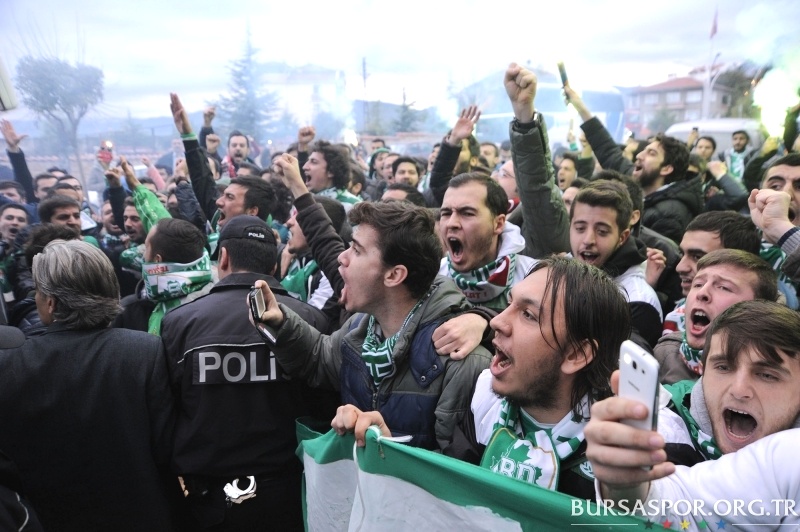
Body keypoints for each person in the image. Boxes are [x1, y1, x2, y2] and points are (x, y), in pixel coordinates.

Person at [250, 200, 492, 450]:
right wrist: (281, 323)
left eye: (356, 250)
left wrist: (386, 451)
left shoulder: (461, 361)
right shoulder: (362, 326)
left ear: (394, 275)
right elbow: (320, 359)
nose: (342, 258)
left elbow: (455, 468)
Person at [161, 216, 332, 531]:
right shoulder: (311, 319)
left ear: (223, 257)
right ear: (273, 265)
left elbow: (168, 410)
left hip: (210, 502)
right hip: (289, 495)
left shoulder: (180, 322)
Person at [0, 240, 179, 531]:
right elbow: (168, 446)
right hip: (139, 515)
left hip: (48, 519)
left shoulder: (10, 365)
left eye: (38, 291)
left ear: (51, 302)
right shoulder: (146, 351)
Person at [585, 300, 800, 529]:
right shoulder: (665, 432)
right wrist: (625, 486)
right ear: (703, 373)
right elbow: (673, 506)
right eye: (723, 367)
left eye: (767, 375)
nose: (739, 390)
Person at [564, 86, 702, 244]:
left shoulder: (671, 214)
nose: (639, 156)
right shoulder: (638, 180)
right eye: (644, 150)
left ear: (666, 168)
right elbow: (609, 152)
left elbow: (654, 255)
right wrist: (581, 108)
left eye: (651, 153)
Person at [654, 249, 777, 384]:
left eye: (724, 287)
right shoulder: (666, 352)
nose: (702, 293)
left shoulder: (775, 373)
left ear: (758, 308)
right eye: (698, 284)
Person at [569, 180, 662, 349]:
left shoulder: (638, 302)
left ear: (622, 237)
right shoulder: (557, 273)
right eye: (580, 228)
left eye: (602, 232)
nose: (588, 240)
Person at [663, 211, 762, 333]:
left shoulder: (765, 335)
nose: (680, 267)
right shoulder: (675, 316)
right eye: (682, 253)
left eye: (698, 257)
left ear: (740, 262)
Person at [114, 217, 213, 334]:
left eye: (146, 247)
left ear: (157, 260)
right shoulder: (215, 297)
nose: (143, 255)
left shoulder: (131, 309)